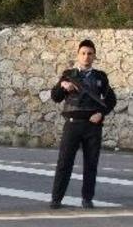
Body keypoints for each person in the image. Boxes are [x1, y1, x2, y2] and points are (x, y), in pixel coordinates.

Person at [49, 39, 117, 209]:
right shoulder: (68, 75)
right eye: (83, 53)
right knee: (64, 163)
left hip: (93, 126)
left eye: (90, 53)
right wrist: (63, 87)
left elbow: (111, 100)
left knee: (91, 164)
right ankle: (56, 199)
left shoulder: (100, 77)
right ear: (78, 55)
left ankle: (87, 198)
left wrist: (101, 114)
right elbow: (55, 97)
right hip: (72, 125)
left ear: (94, 56)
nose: (86, 56)